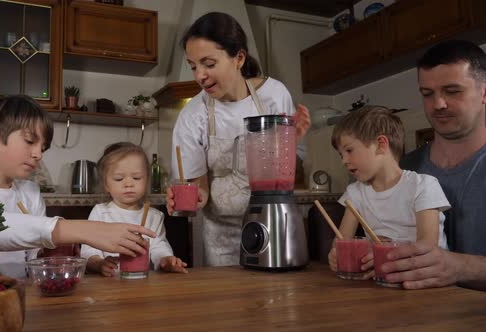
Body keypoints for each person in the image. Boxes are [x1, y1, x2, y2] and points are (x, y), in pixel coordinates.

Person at [0, 95, 155, 278]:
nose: (38, 154)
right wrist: (87, 230)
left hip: (20, 295)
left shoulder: (29, 192)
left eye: (43, 147)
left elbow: (32, 261)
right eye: (30, 141)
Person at [166, 12, 311, 266]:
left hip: (274, 225)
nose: (199, 75)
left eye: (208, 64)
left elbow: (294, 178)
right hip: (220, 239)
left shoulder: (274, 95)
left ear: (239, 58)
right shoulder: (192, 116)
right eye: (193, 66)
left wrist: (289, 145)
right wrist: (190, 198)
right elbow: (200, 190)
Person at [380, 40, 486, 290]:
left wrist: (460, 267)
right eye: (427, 94)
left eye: (453, 91)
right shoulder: (402, 169)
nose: (438, 104)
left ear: (484, 93)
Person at [326, 106, 450, 276]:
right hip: (382, 277)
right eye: (341, 155)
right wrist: (336, 254)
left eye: (349, 150)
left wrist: (384, 257)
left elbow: (427, 246)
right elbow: (342, 240)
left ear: (380, 144)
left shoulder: (423, 185)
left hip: (427, 278)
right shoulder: (355, 193)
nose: (344, 161)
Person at [81, 142, 188, 277]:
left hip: (143, 285)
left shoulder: (154, 216)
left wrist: (165, 260)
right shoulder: (100, 212)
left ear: (147, 179)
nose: (129, 184)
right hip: (109, 287)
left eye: (136, 178)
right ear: (106, 184)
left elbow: (158, 247)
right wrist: (98, 264)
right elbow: (88, 251)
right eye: (119, 179)